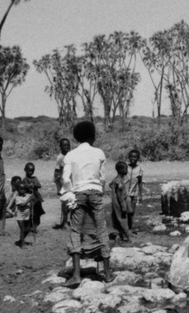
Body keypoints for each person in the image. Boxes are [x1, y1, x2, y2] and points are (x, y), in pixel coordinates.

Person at [60, 120, 112, 285]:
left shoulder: (70, 155)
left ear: (76, 137)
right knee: (101, 229)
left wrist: (69, 191)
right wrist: (99, 189)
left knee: (75, 230)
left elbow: (65, 178)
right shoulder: (99, 153)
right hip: (95, 192)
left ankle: (76, 275)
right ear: (93, 136)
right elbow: (102, 177)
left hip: (78, 193)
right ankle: (108, 274)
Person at [7, 176, 35, 248]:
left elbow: (31, 200)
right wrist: (29, 200)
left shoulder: (27, 195)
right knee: (22, 229)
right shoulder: (17, 198)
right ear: (18, 190)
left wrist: (32, 197)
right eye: (21, 189)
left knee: (28, 229)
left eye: (24, 189)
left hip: (27, 215)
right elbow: (22, 205)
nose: (23, 191)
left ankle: (21, 240)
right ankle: (22, 244)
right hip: (20, 216)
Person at [110, 160, 133, 243]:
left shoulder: (115, 180)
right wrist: (123, 206)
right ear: (120, 170)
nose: (127, 171)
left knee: (117, 220)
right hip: (120, 204)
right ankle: (128, 237)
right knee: (123, 220)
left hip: (115, 204)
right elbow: (120, 195)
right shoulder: (119, 182)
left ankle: (120, 236)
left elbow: (110, 185)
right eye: (126, 169)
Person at [52, 137, 71, 229]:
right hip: (63, 183)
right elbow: (57, 173)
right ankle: (64, 222)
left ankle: (67, 221)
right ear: (60, 147)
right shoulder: (60, 157)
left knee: (71, 202)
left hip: (70, 182)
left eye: (68, 145)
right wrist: (58, 187)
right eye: (64, 145)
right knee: (64, 203)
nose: (66, 147)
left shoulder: (71, 155)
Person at [126, 149, 144, 234]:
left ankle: (130, 228)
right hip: (125, 194)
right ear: (129, 157)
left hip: (134, 194)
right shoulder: (125, 167)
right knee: (125, 211)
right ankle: (125, 229)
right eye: (131, 157)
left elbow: (140, 182)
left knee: (132, 212)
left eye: (135, 157)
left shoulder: (139, 169)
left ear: (138, 158)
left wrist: (140, 194)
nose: (133, 158)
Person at [23, 162, 44, 232]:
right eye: (29, 170)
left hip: (36, 198)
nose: (31, 172)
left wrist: (35, 185)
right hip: (29, 198)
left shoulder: (35, 178)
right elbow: (24, 186)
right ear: (25, 170)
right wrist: (29, 186)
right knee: (30, 213)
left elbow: (39, 185)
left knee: (36, 213)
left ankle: (34, 226)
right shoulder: (25, 179)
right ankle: (29, 226)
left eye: (32, 171)